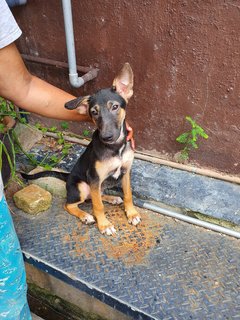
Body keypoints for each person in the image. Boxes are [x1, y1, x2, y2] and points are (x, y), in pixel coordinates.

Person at [0, 1, 133, 319]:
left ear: (125, 97)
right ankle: (78, 208)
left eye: (114, 108)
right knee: (88, 186)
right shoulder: (97, 134)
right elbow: (94, 178)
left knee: (9, 297)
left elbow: (23, 85)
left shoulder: (122, 135)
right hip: (83, 184)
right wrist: (95, 214)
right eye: (98, 113)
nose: (107, 119)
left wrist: (102, 119)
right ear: (91, 113)